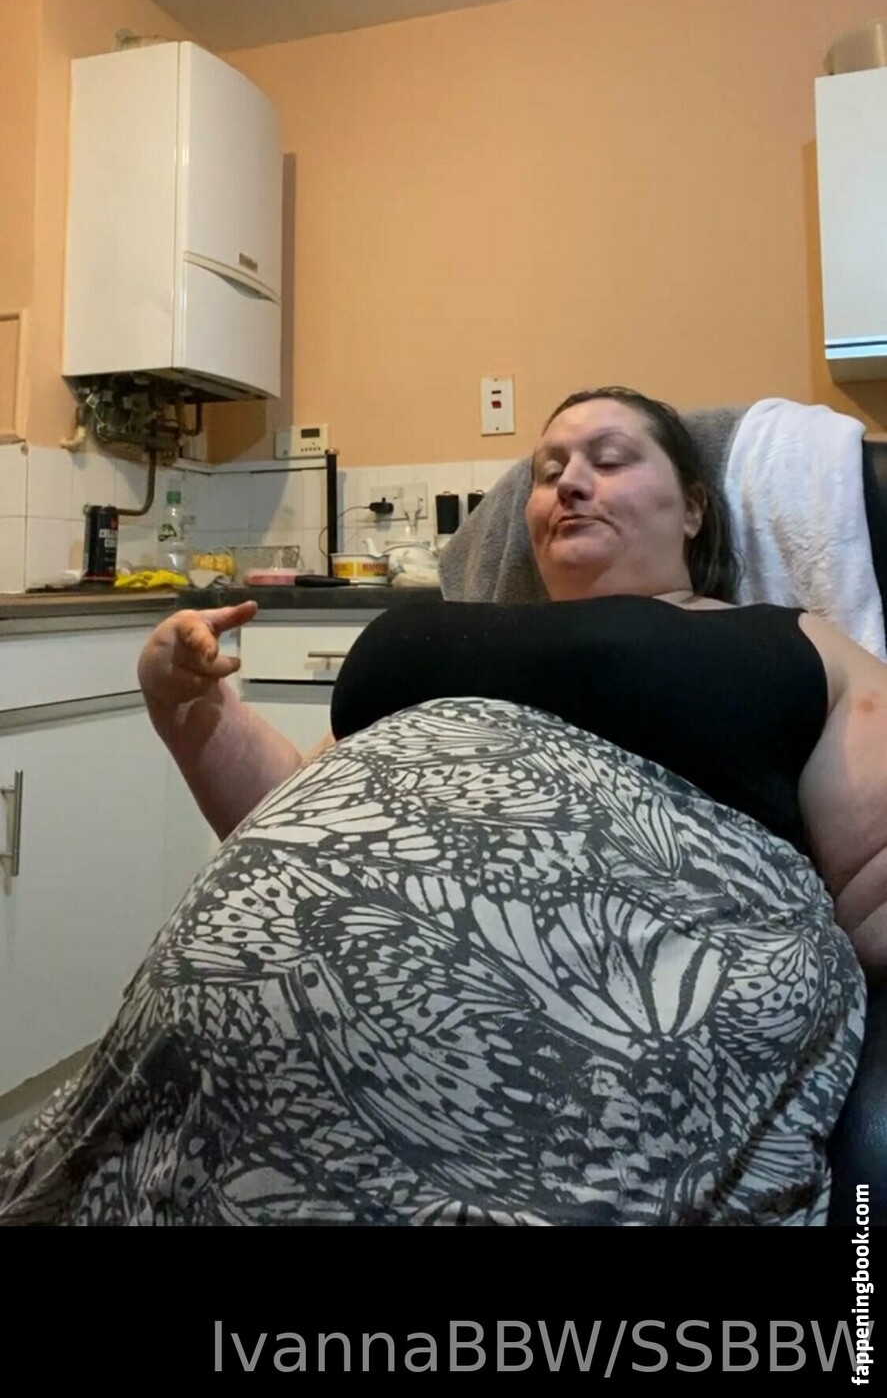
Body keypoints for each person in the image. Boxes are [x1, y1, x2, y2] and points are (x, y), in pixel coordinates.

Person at [0, 386, 880, 1226]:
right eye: (547, 471)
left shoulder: (784, 639)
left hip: (570, 1099)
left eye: (609, 460)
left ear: (691, 508)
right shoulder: (446, 629)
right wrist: (194, 712)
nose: (569, 482)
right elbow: (287, 819)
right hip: (203, 1102)